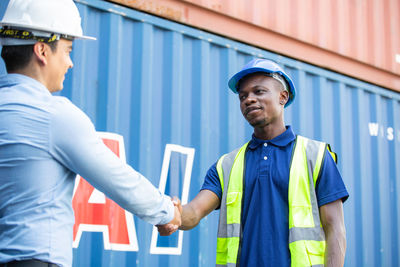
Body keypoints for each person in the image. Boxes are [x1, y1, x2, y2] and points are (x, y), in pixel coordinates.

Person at [0, 0, 181, 266]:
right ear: (42, 51)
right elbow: (118, 179)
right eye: (67, 50)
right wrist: (167, 212)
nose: (70, 63)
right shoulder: (54, 115)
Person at [158, 58, 349, 267]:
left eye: (258, 91)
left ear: (282, 97)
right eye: (243, 96)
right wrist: (175, 214)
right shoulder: (226, 166)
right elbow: (194, 213)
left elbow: (335, 229)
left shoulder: (316, 155)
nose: (248, 99)